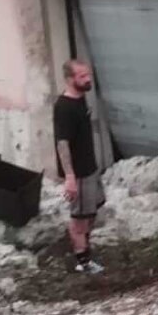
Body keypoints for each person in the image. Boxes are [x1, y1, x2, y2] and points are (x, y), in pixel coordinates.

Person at [53, 60, 105, 275]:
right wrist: (70, 177)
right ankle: (83, 262)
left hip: (90, 168)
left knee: (93, 210)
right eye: (82, 76)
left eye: (88, 75)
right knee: (79, 219)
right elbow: (62, 143)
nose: (88, 79)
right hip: (79, 173)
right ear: (70, 79)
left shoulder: (81, 99)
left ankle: (84, 248)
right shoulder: (64, 107)